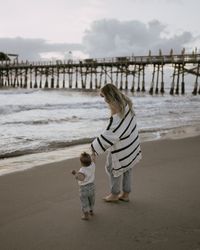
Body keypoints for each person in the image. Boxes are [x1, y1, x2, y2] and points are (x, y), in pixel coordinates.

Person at [91, 83, 142, 202]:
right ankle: (126, 194)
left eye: (104, 97)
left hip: (122, 144)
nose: (104, 100)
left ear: (109, 97)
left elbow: (112, 133)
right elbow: (122, 126)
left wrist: (94, 146)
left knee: (113, 166)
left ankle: (114, 194)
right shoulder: (125, 101)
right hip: (130, 140)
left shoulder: (116, 109)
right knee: (127, 166)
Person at [71, 152, 96, 220]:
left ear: (81, 163)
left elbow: (81, 178)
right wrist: (93, 154)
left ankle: (86, 215)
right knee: (91, 200)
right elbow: (94, 160)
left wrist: (75, 174)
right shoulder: (93, 165)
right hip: (92, 187)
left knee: (84, 201)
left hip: (84, 189)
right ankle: (91, 211)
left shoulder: (82, 170)